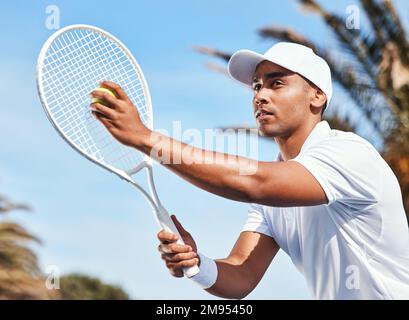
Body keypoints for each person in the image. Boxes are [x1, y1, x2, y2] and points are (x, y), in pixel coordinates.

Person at [90, 42, 409, 299]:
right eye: (257, 87)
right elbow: (240, 275)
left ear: (317, 96)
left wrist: (147, 139)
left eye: (277, 83)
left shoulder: (349, 153)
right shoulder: (275, 191)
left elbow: (256, 182)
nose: (260, 96)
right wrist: (196, 264)